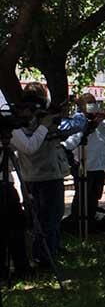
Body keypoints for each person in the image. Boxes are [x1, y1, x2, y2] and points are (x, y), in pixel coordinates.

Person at [10, 94, 66, 266]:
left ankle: (50, 251)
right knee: (43, 219)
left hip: (46, 175)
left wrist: (52, 122)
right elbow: (29, 147)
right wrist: (43, 126)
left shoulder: (44, 124)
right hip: (38, 178)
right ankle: (43, 257)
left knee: (51, 217)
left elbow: (72, 130)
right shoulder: (19, 127)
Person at [62, 96, 105, 228]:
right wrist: (100, 117)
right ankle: (77, 223)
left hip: (100, 165)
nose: (92, 106)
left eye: (94, 103)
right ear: (82, 105)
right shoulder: (79, 120)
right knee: (82, 196)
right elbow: (88, 128)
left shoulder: (103, 122)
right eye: (89, 104)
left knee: (95, 196)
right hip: (84, 165)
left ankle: (91, 221)